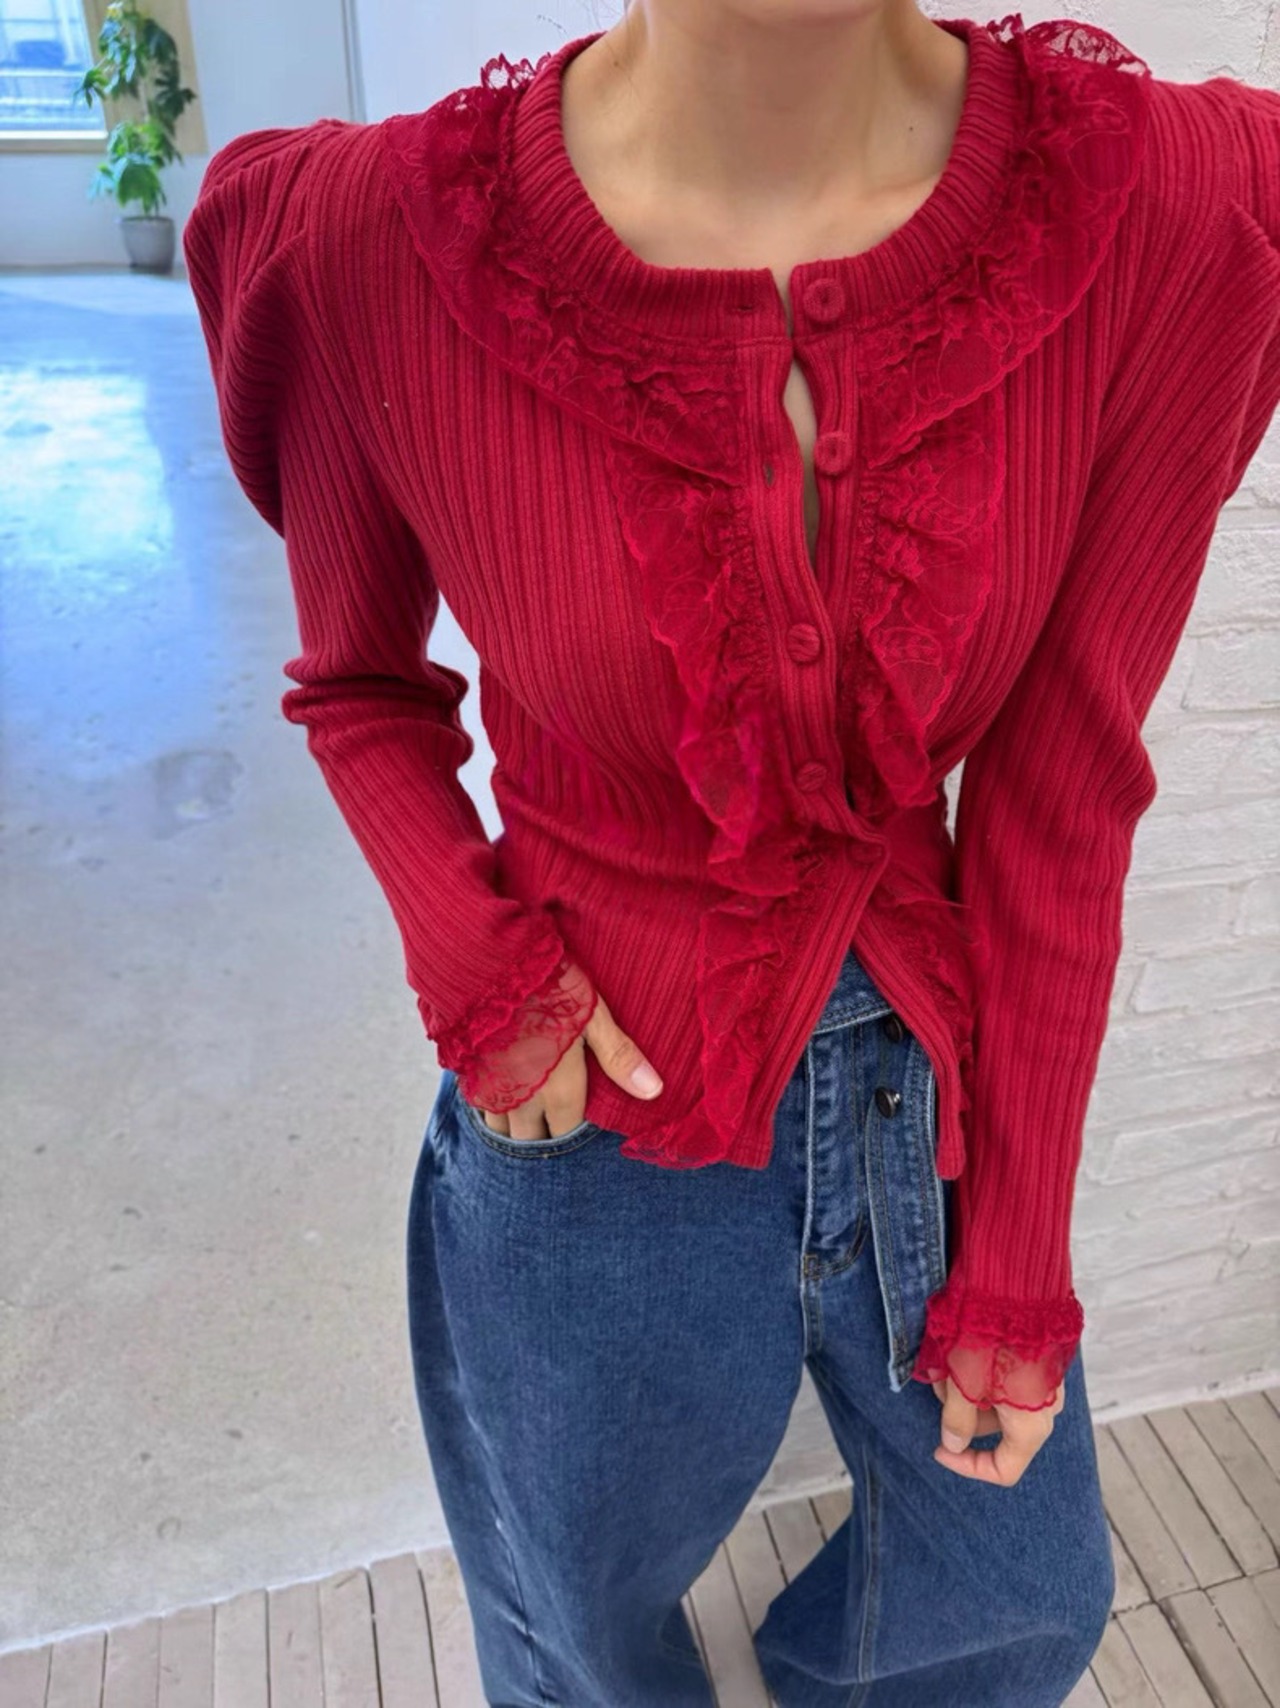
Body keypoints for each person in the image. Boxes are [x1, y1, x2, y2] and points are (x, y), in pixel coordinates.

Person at [183, 2, 1280, 1701]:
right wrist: (480, 968)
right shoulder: (373, 245)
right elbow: (362, 687)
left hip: (930, 1094)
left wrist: (1020, 1256)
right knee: (579, 1625)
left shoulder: (1143, 213)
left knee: (1018, 1599)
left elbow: (1063, 792)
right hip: (596, 1114)